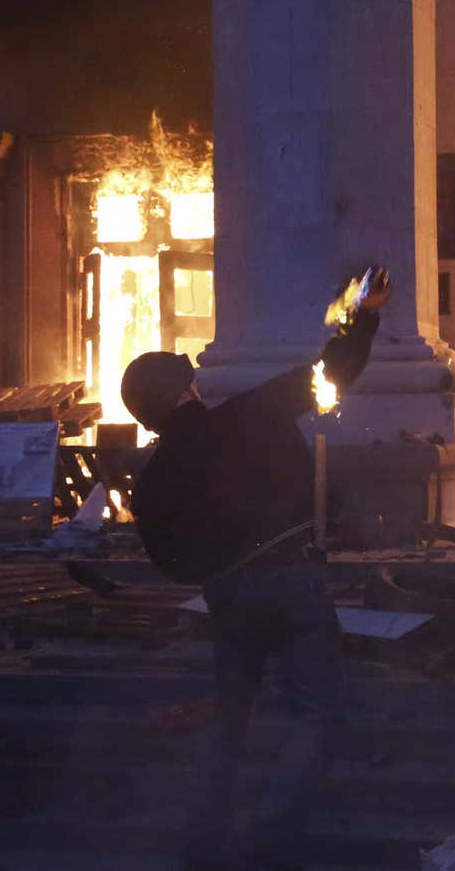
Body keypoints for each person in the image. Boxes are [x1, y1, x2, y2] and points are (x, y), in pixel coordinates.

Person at [124, 269, 391, 871]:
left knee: (229, 719)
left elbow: (167, 561)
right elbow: (335, 371)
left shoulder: (154, 478)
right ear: (190, 392)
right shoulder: (251, 414)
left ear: (148, 418)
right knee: (315, 711)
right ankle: (267, 841)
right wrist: (363, 313)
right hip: (293, 580)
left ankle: (203, 837)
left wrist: (217, 570)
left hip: (226, 595)